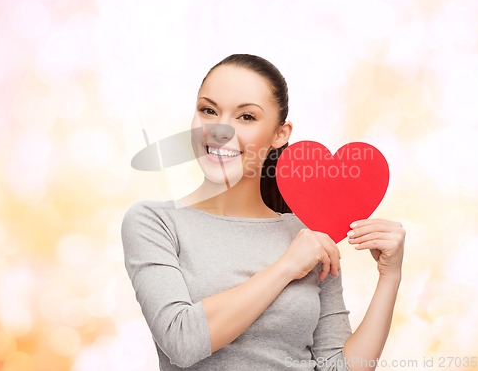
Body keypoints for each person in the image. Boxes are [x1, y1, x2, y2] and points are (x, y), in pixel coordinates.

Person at [121, 54, 406, 371]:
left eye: (246, 117)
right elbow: (182, 341)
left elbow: (337, 367)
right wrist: (286, 266)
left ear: (280, 134)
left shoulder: (309, 233)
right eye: (208, 110)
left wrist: (389, 276)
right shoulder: (154, 222)